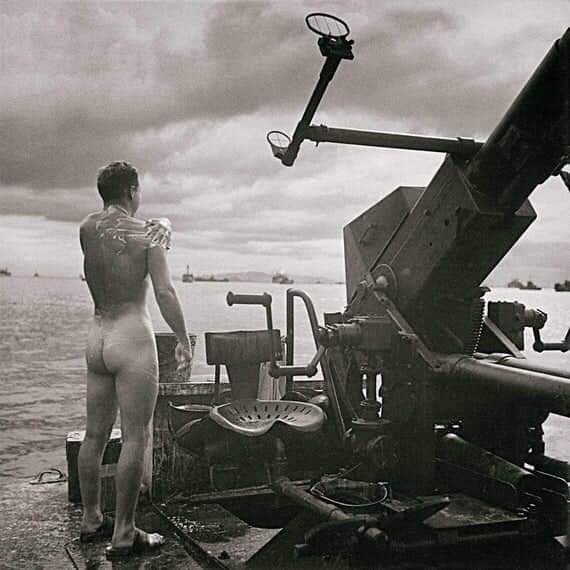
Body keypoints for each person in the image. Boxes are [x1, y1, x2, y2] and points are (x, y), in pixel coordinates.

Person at [77, 161, 192, 559]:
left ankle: (91, 518)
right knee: (134, 436)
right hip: (131, 337)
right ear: (131, 191)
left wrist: (162, 224)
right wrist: (183, 339)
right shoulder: (149, 235)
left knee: (94, 435)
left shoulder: (86, 228)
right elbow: (165, 293)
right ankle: (124, 532)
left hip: (98, 337)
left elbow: (111, 240)